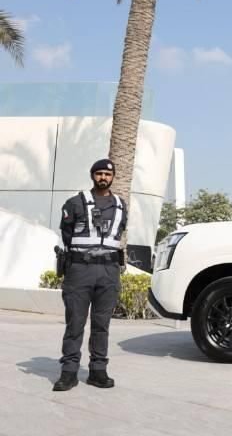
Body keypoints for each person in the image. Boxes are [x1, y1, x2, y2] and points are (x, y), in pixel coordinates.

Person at [52, 159, 127, 392]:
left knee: (101, 324)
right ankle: (69, 372)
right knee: (75, 323)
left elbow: (119, 233)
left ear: (113, 177)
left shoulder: (121, 205)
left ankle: (98, 371)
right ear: (92, 175)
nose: (103, 177)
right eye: (99, 173)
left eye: (107, 174)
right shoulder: (75, 202)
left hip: (109, 271)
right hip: (80, 270)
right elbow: (66, 234)